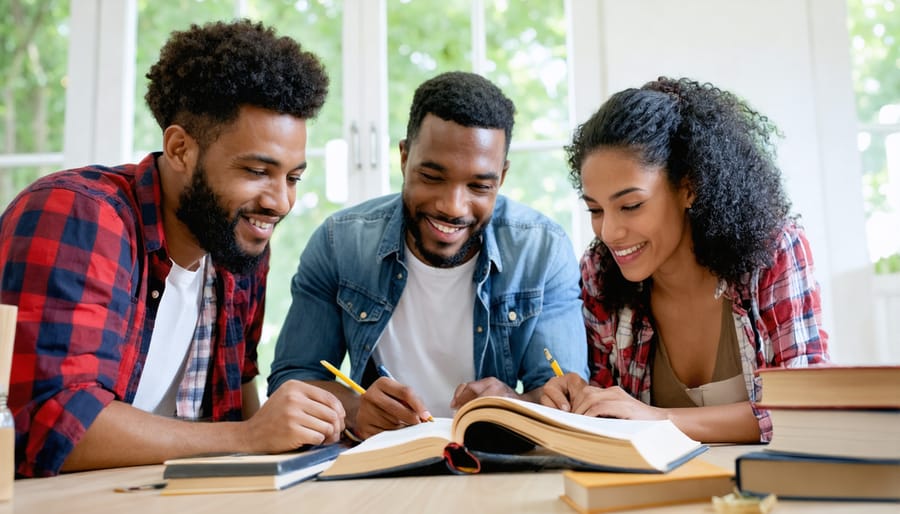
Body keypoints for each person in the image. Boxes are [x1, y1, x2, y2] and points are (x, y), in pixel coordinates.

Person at [0, 20, 346, 478]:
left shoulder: (236, 246)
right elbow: (48, 425)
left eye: (293, 177)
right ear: (180, 149)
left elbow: (243, 403)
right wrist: (248, 437)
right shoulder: (78, 215)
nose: (280, 201)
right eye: (257, 171)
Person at [268, 71, 588, 439]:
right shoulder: (340, 243)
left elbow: (565, 398)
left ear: (502, 177)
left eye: (479, 186)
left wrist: (513, 406)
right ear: (404, 158)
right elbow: (292, 379)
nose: (453, 207)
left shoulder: (542, 250)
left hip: (501, 467)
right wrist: (356, 410)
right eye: (433, 177)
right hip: (381, 468)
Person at [540, 77, 830, 443]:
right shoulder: (600, 272)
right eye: (595, 209)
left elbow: (808, 407)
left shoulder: (773, 251)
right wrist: (578, 402)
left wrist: (657, 420)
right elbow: (609, 412)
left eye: (631, 206)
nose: (609, 232)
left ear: (688, 186)